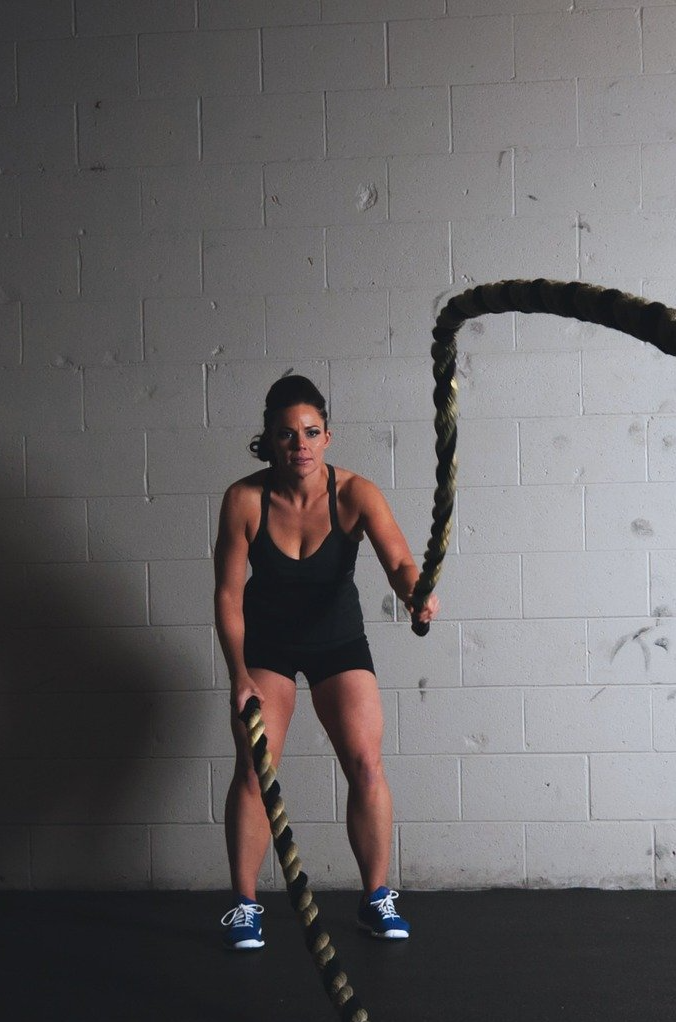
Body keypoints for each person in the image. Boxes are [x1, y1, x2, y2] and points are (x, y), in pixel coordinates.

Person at [214, 374, 439, 950]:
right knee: (254, 769)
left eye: (311, 432)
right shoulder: (244, 500)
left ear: (328, 437)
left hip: (337, 641)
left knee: (366, 763)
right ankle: (244, 905)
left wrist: (415, 592)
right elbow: (229, 595)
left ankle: (376, 897)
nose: (301, 445)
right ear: (270, 438)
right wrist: (239, 674)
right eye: (287, 434)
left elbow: (399, 563)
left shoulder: (356, 493)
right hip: (267, 646)